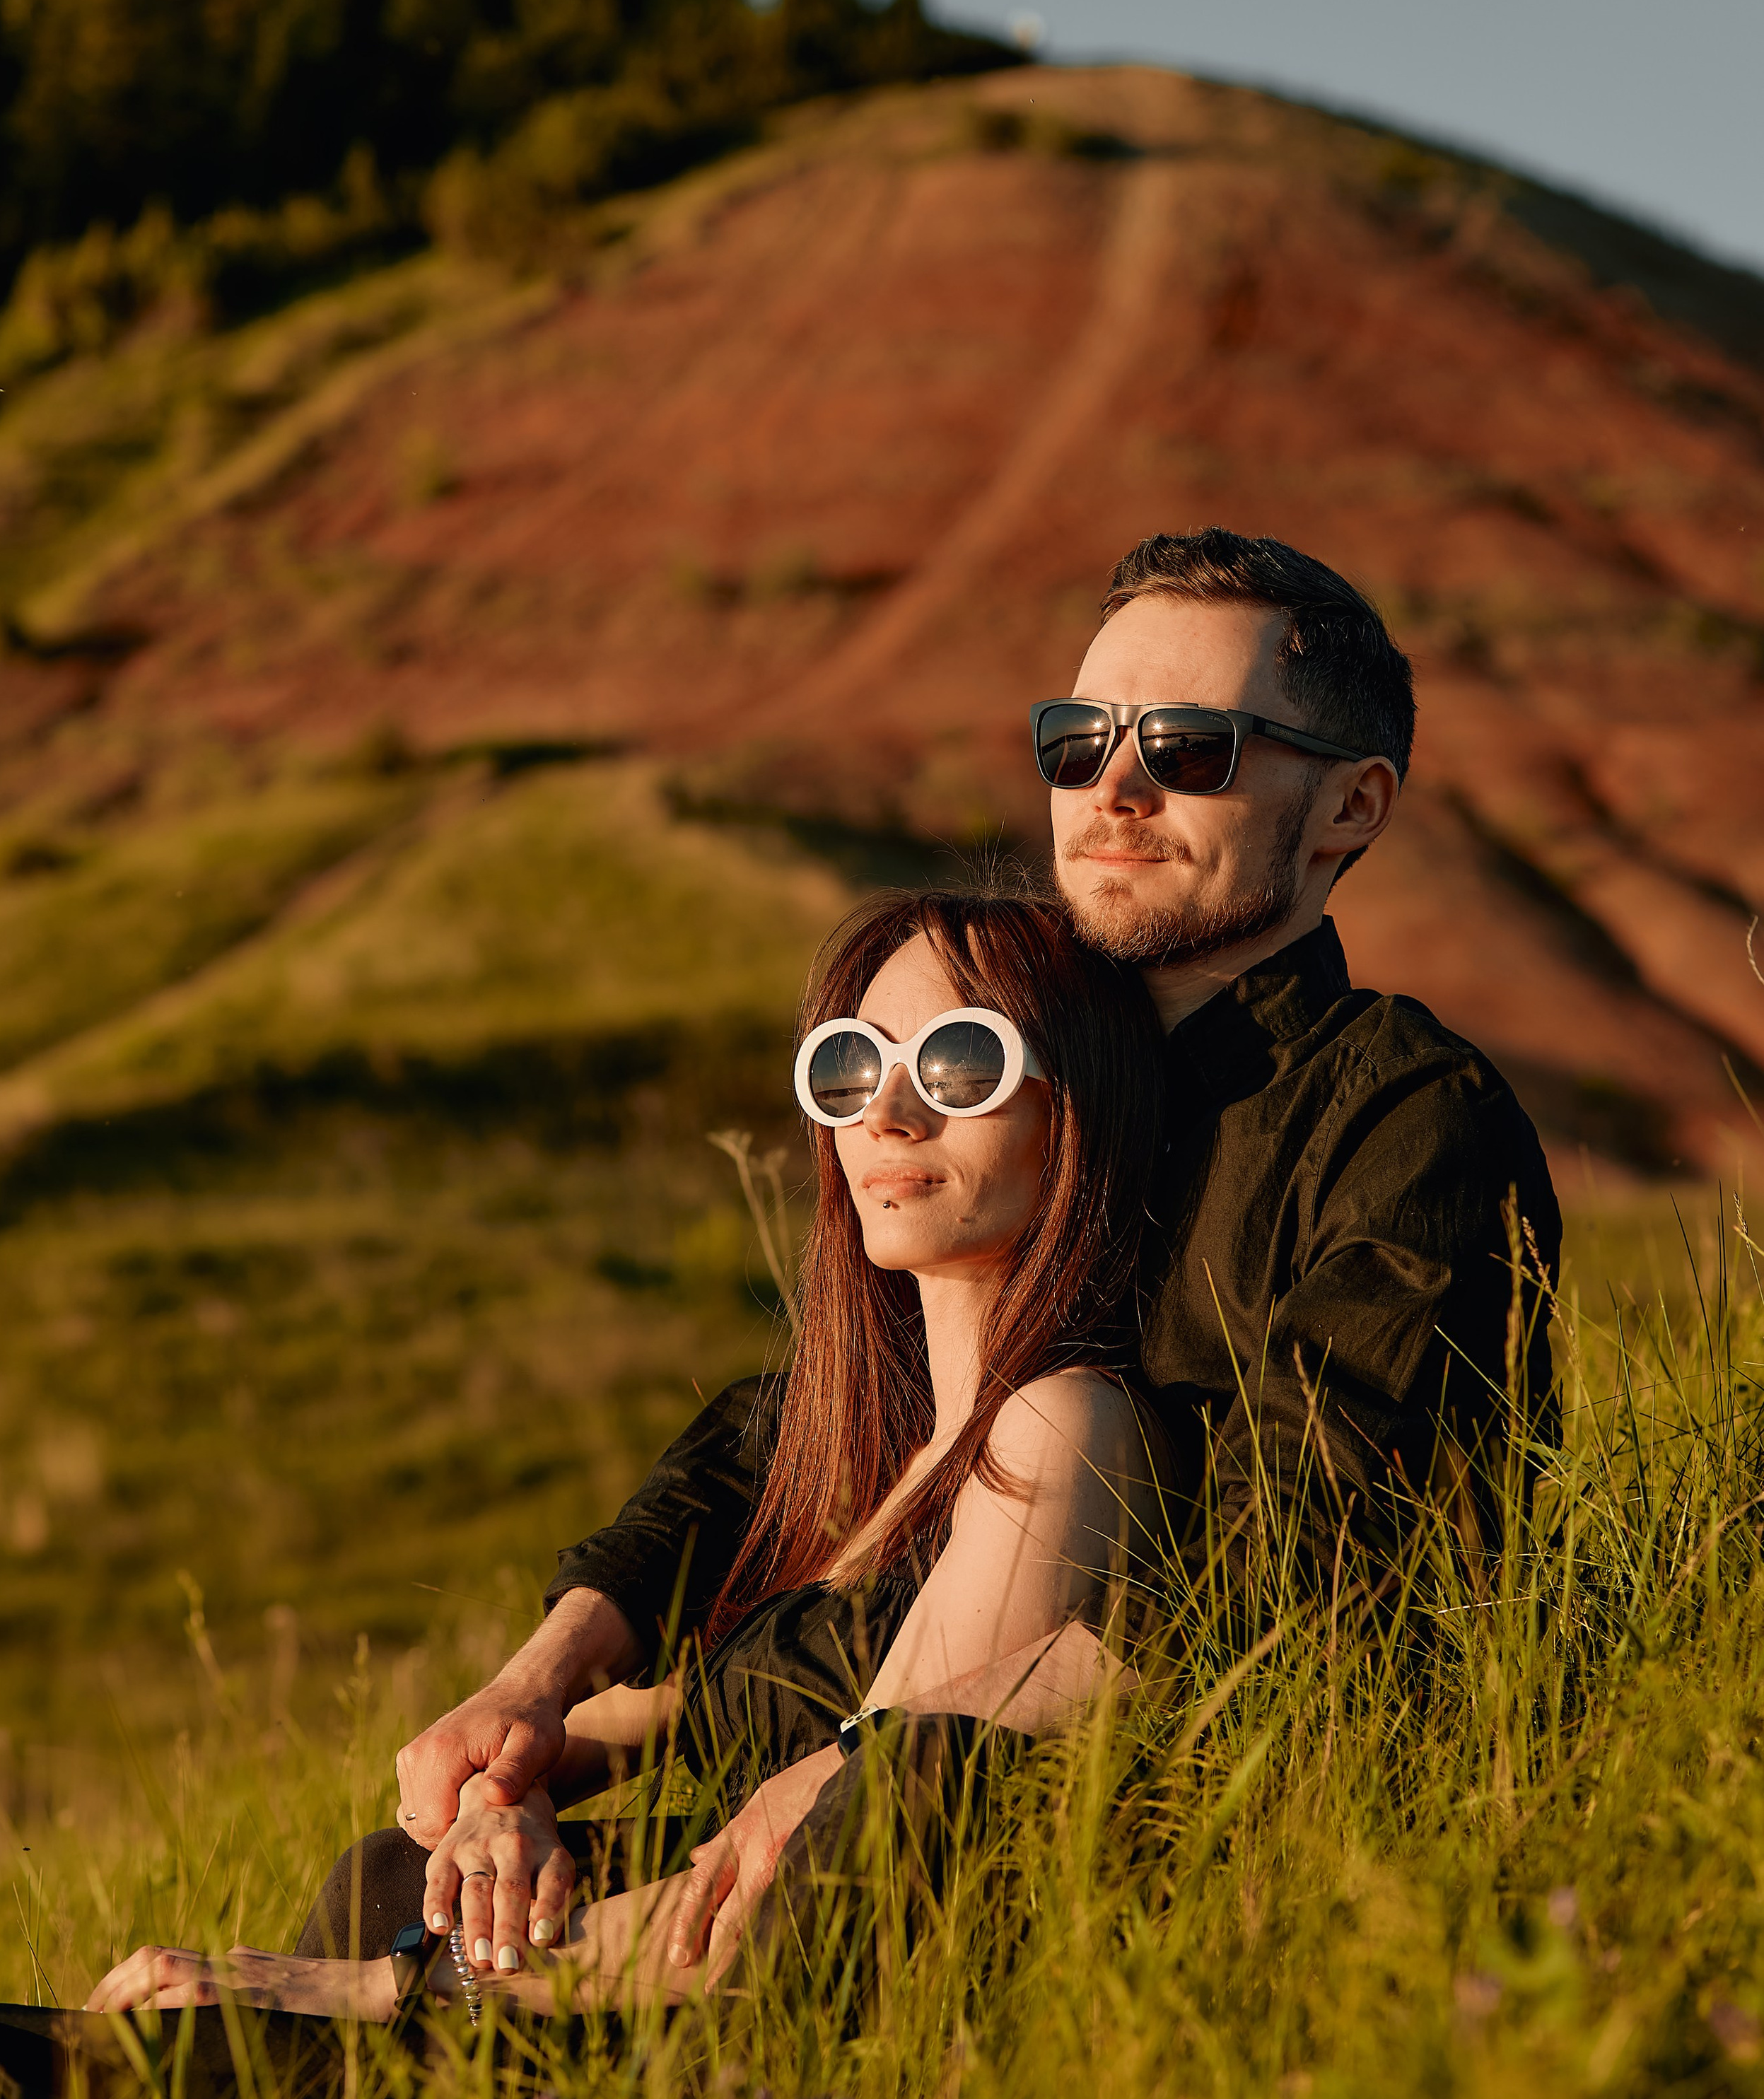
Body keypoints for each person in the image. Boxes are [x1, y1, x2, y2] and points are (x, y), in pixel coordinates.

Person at [379, 527, 1562, 1965]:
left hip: (1130, 1797)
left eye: (1189, 747)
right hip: (850, 1734)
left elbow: (1317, 1575)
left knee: (853, 1833)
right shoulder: (1007, 1064)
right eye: (1079, 741)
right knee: (397, 1879)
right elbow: (795, 1418)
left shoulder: (1398, 1121)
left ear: (1348, 806)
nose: (1113, 788)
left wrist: (878, 1756)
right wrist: (550, 1678)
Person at [87, 889, 1170, 2022]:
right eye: (850, 1067)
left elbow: (832, 1854)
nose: (886, 1114)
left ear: (1078, 1106)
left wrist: (356, 1989)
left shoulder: (1060, 1423)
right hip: (559, 1992)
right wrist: (506, 1816)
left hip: (668, 2029)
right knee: (381, 1875)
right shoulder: (858, 1457)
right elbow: (574, 1742)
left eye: (960, 1063)